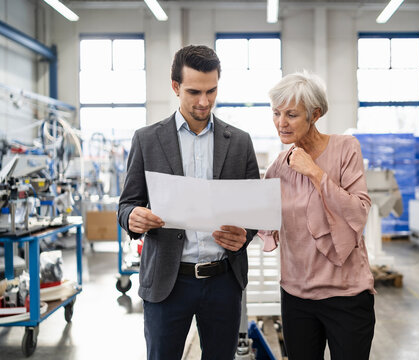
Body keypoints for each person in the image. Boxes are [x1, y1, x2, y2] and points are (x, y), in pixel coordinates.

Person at [118, 44, 260, 359]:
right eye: (194, 91)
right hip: (169, 282)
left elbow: (254, 211)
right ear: (175, 87)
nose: (204, 101)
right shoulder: (147, 140)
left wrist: (245, 234)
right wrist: (132, 217)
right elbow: (127, 204)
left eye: (212, 91)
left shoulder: (239, 142)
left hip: (223, 281)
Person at [260, 71, 375, 359]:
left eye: (291, 114)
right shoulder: (278, 166)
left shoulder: (345, 148)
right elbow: (260, 215)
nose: (281, 122)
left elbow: (358, 212)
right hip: (296, 296)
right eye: (276, 113)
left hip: (346, 296)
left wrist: (314, 171)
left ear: (315, 114)